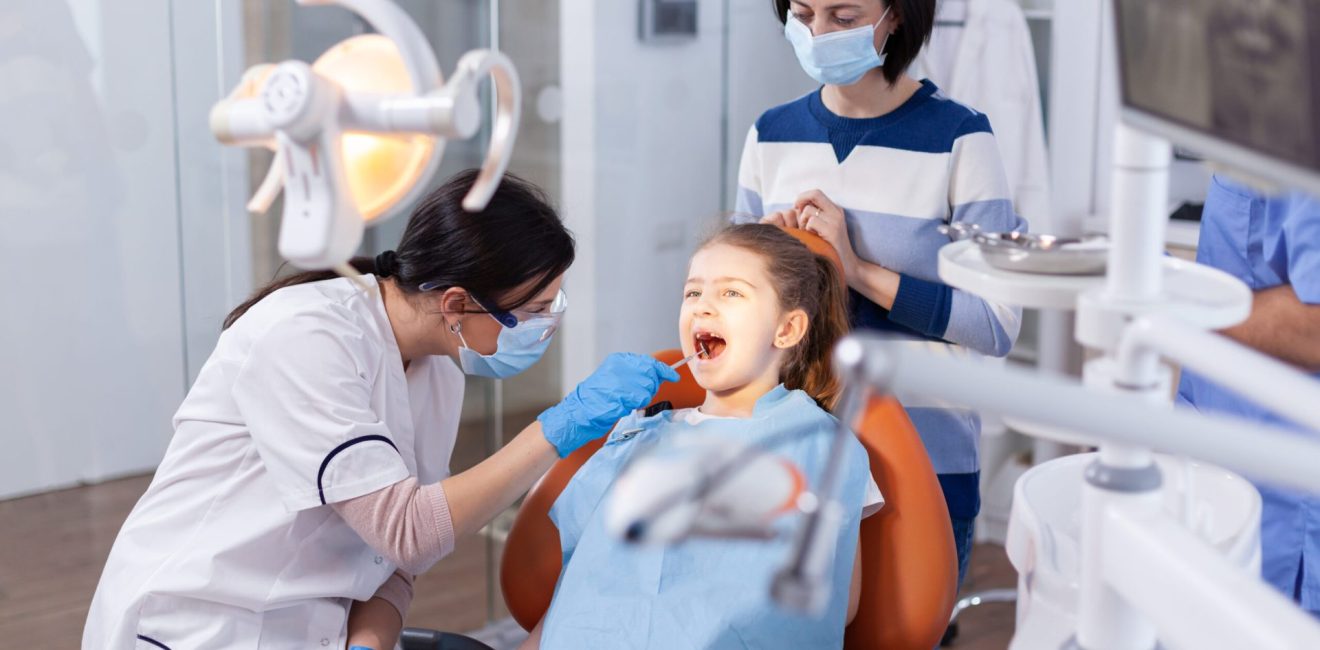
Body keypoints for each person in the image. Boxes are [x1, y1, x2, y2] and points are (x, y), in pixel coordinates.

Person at [82, 170, 680, 650]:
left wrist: (372, 640)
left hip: (306, 624)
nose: (545, 327)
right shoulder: (306, 335)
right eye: (535, 311)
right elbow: (410, 531)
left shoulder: (439, 368)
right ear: (456, 303)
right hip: (199, 622)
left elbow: (392, 560)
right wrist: (560, 425)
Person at [737, 0, 1025, 588]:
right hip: (797, 453)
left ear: (897, 16)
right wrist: (763, 269)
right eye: (804, 13)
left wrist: (856, 269)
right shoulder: (771, 134)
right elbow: (740, 306)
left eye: (844, 18)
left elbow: (996, 324)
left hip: (924, 460)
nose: (818, 35)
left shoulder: (961, 138)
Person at [522, 224, 884, 648]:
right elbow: (581, 585)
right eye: (693, 293)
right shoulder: (638, 435)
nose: (703, 308)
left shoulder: (822, 448)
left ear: (787, 330)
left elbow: (840, 602)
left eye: (731, 293)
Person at [1177, 175, 1320, 615]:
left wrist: (1166, 296)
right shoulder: (1257, 123)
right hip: (1219, 454)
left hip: (1282, 497)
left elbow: (1314, 328)